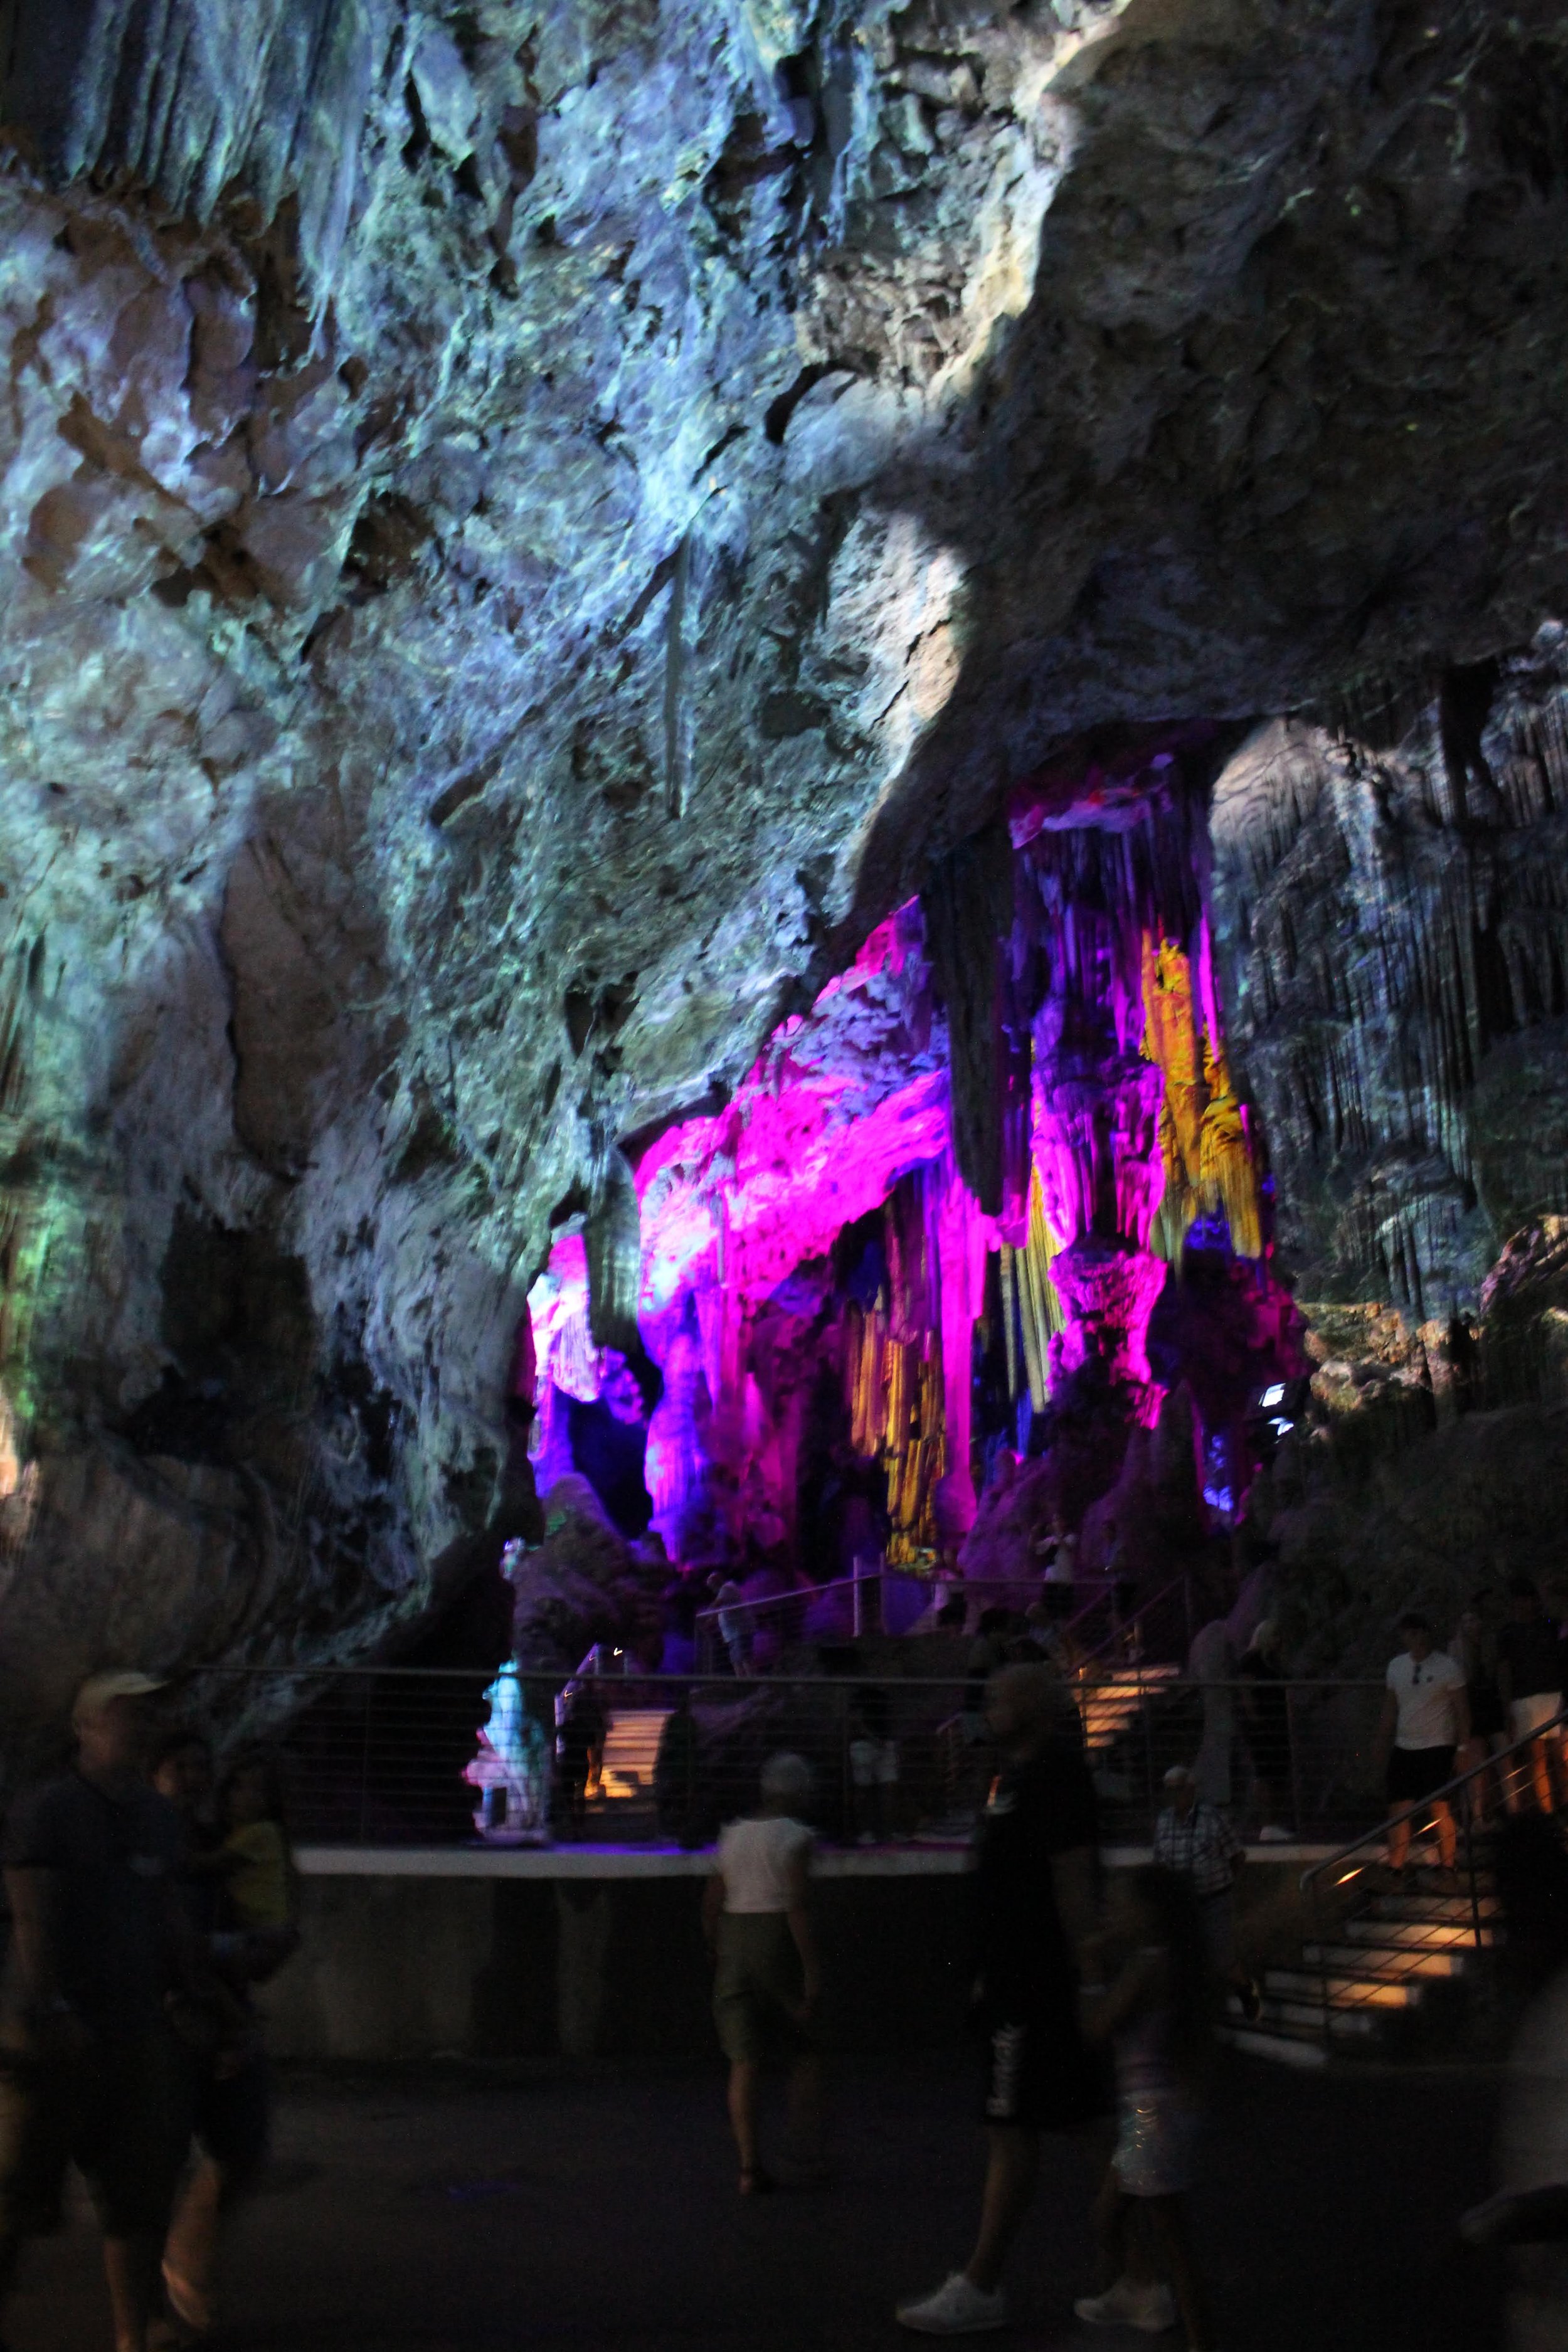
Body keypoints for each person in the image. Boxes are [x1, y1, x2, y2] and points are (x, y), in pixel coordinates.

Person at [0, 1672, 245, 2352]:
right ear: (86, 1728)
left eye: (145, 1716)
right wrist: (50, 2007)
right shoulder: (50, 1810)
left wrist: (198, 1997)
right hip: (53, 2035)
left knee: (138, 2197)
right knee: (15, 2195)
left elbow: (168, 1914)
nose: (139, 1728)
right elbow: (32, 1911)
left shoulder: (154, 1815)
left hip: (134, 2029)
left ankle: (132, 2336)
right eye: (125, 1716)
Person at [896, 1664, 1103, 2335]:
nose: (989, 1702)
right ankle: (1141, 2273)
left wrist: (1091, 1975)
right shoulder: (1016, 1777)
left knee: (1011, 2127)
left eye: (1004, 1694)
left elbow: (1072, 1877)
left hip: (1032, 1981)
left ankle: (982, 2282)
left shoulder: (1053, 1774)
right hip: (1015, 1979)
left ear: (1039, 1707)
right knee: (1073, 2121)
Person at [156, 1745, 294, 2341]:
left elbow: (260, 1923)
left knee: (240, 2147)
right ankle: (154, 2312)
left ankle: (185, 2265)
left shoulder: (216, 1843)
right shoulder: (142, 1841)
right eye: (178, 1765)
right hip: (161, 2018)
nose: (192, 1778)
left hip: (218, 2011)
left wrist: (256, 1952)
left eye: (197, 1767)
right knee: (148, 2171)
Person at [1074, 1867, 1217, 2349]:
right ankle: (1132, 2289)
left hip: (1148, 2119)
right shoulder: (1175, 1961)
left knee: (1169, 2238)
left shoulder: (1145, 1966)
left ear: (1149, 1914)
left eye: (1120, 1906)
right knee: (1109, 2214)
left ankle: (1194, 2336)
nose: (1111, 1914)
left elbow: (1096, 2029)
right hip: (1162, 2113)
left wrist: (1091, 1971)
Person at [702, 1754, 822, 2195]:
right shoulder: (797, 1837)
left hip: (734, 1941)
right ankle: (804, 2153)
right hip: (777, 1943)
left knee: (743, 2061)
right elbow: (797, 1906)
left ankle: (749, 2167)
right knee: (805, 2047)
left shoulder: (731, 1836)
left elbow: (712, 1899)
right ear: (799, 1792)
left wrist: (715, 1945)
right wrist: (811, 1969)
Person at [1152, 1766, 1259, 2021]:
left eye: (1178, 1790)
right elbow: (1160, 1861)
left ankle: (1244, 1989)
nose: (1173, 1797)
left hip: (1214, 1897)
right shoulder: (1164, 1821)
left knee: (1221, 1957)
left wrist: (1228, 1885)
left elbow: (1236, 1855)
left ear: (1190, 1790)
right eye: (1169, 1791)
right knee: (1185, 1958)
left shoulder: (1212, 1818)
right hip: (1183, 1902)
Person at [1374, 1612, 1471, 1872]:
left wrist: (1463, 1747)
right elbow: (1390, 1708)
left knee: (1439, 1807)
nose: (1416, 1638)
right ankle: (1397, 1865)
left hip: (1438, 1746)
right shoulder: (1396, 1667)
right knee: (1398, 1809)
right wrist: (1381, 1744)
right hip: (1405, 1746)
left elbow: (1462, 1710)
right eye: (1410, 1633)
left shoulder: (1447, 1667)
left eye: (1420, 1632)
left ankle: (1448, 1864)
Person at [1497, 1578, 1564, 1817]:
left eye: (1528, 1599)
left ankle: (1564, 1806)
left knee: (1563, 1756)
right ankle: (1548, 1812)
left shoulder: (1550, 1624)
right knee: (1537, 1761)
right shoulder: (1508, 1633)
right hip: (1524, 1699)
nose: (1524, 1605)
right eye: (1520, 1600)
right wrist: (1507, 1709)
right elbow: (1505, 1671)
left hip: (1555, 1696)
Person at [1453, 1592, 1507, 1823]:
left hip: (1493, 1708)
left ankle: (1512, 1810)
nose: (1470, 1626)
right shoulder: (1458, 1651)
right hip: (1473, 1710)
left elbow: (1501, 1679)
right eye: (1466, 1622)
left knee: (1505, 1761)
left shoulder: (1490, 1647)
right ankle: (1477, 1815)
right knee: (1478, 1767)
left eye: (1473, 1620)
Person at [1236, 1620, 1292, 1840]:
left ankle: (1275, 1822)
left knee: (1278, 1772)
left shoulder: (1273, 1662)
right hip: (1262, 1725)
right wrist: (1255, 1718)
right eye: (1275, 1636)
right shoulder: (1252, 1660)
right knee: (1266, 1773)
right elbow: (1246, 1690)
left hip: (1277, 1723)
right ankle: (1268, 1823)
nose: (1278, 1641)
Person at [848, 1687, 899, 1845]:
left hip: (883, 1743)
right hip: (865, 1744)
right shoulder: (861, 1694)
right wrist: (874, 1738)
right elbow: (855, 1720)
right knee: (864, 1790)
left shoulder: (884, 1694)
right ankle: (867, 1832)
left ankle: (885, 1832)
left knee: (886, 1790)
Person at [711, 1570, 753, 1676]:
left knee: (744, 1658)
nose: (712, 1589)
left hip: (740, 1631)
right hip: (732, 1634)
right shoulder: (723, 1591)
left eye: (712, 1585)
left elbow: (717, 1604)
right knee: (736, 1660)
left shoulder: (727, 1588)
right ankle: (742, 1684)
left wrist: (705, 1614)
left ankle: (753, 1681)